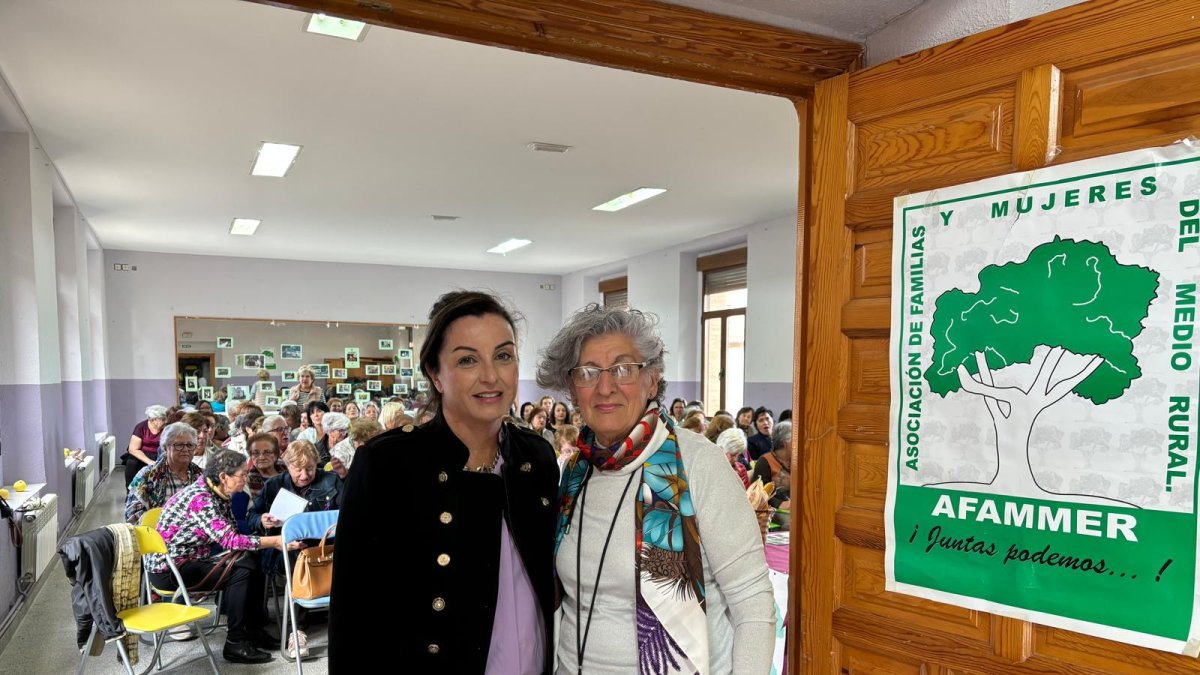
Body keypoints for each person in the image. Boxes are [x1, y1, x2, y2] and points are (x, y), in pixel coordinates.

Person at [537, 303, 774, 673]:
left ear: (651, 379)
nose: (605, 386)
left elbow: (753, 602)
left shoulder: (698, 463)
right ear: (572, 388)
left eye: (622, 369)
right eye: (588, 372)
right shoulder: (576, 470)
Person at [330, 290, 557, 672]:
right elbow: (354, 614)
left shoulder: (535, 457)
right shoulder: (388, 463)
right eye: (467, 359)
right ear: (435, 373)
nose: (491, 376)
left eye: (503, 355)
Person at [148, 449, 303, 664]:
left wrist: (265, 525)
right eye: (242, 475)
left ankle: (253, 630)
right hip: (169, 569)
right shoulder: (201, 499)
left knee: (252, 559)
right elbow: (229, 540)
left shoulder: (217, 493)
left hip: (191, 559)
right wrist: (275, 541)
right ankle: (235, 643)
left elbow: (231, 532)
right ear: (224, 477)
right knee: (239, 571)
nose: (246, 479)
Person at [125, 421, 205, 524]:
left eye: (190, 445)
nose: (185, 449)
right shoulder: (147, 475)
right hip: (157, 535)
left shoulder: (201, 476)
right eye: (179, 445)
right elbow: (133, 516)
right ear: (165, 447)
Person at [124, 405, 168, 488]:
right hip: (142, 455)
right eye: (162, 419)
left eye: (165, 418)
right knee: (132, 463)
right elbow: (133, 449)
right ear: (153, 419)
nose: (165, 421)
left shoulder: (166, 427)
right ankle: (131, 492)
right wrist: (149, 461)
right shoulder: (141, 427)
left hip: (160, 454)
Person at [749, 421, 791, 509]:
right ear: (785, 443)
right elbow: (758, 493)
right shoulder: (765, 461)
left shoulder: (798, 460)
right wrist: (779, 503)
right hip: (774, 511)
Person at [245, 431, 287, 501]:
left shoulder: (287, 470)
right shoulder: (248, 481)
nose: (262, 457)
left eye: (267, 452)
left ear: (276, 454)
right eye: (256, 453)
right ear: (251, 456)